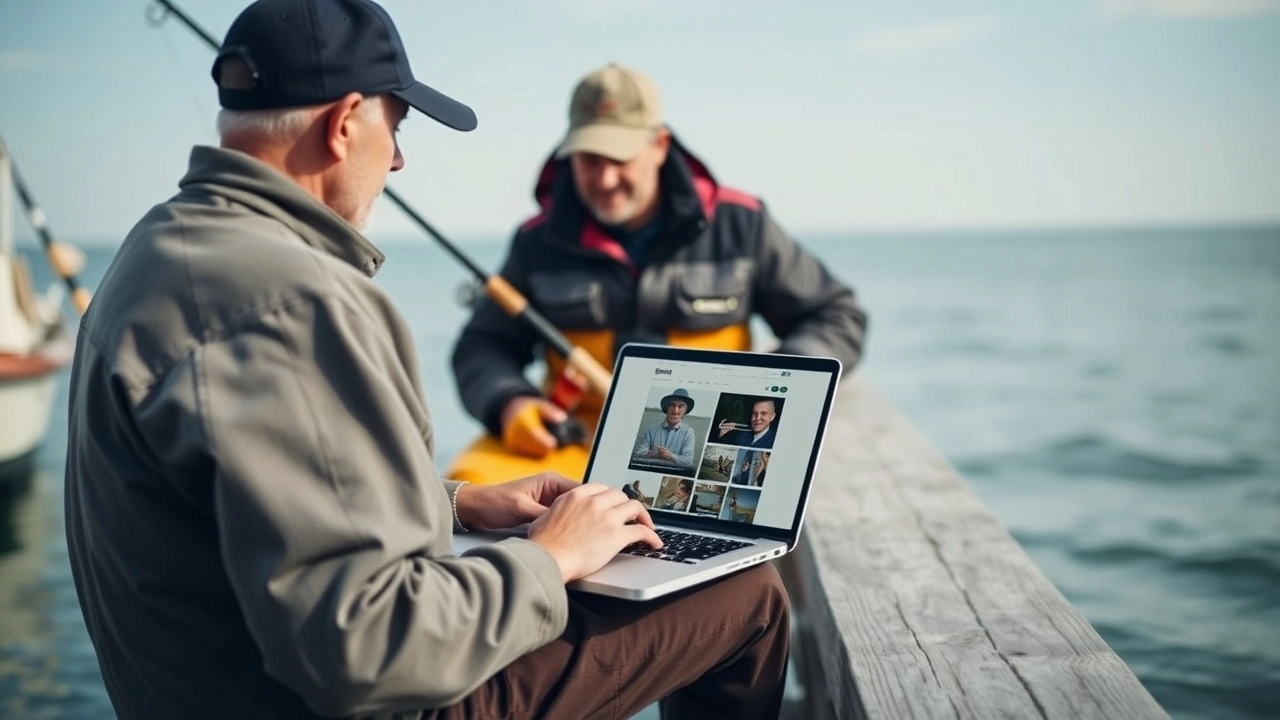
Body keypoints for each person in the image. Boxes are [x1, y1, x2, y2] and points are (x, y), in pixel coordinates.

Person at [61, 2, 789, 719]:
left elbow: (251, 495)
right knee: (748, 599)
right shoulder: (297, 302)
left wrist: (455, 502)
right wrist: (551, 558)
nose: (401, 159)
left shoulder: (150, 251)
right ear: (345, 124)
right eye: (397, 127)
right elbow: (372, 654)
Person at [451, 61, 867, 459]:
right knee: (467, 499)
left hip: (710, 445)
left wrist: (775, 388)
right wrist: (509, 401)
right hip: (573, 443)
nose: (605, 179)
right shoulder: (534, 242)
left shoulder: (743, 224)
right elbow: (482, 345)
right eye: (590, 161)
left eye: (619, 158)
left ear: (660, 146)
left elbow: (835, 316)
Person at [631, 387, 696, 468]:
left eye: (680, 406)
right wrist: (655, 453)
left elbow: (688, 461)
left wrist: (671, 455)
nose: (675, 410)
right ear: (667, 409)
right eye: (672, 405)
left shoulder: (688, 432)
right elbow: (638, 452)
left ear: (684, 413)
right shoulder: (652, 429)